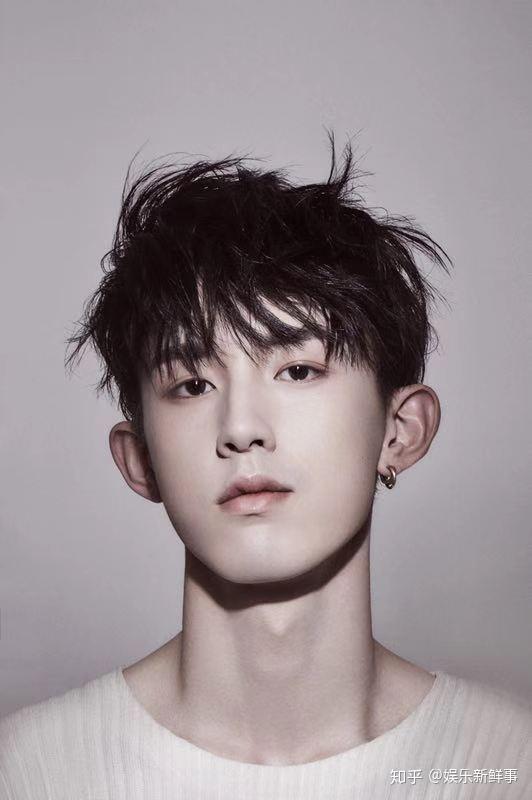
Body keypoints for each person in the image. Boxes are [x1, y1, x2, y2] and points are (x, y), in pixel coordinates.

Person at [1, 138, 531, 799]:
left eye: (299, 370)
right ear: (140, 460)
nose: (242, 427)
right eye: (193, 384)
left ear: (401, 430)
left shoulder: (507, 767)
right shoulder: (33, 773)